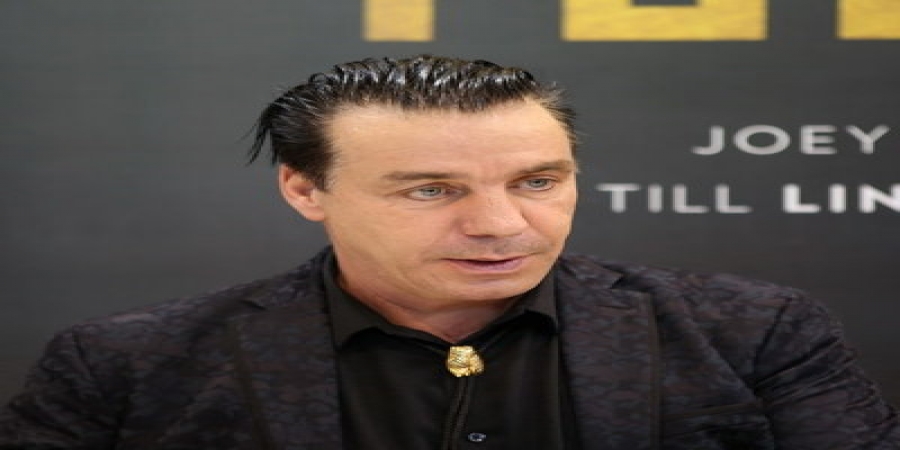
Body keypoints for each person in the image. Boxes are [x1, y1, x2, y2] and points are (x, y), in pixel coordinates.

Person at [1, 55, 898, 449]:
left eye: (537, 181)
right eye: (431, 190)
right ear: (304, 190)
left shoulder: (756, 332)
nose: (500, 225)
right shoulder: (124, 367)